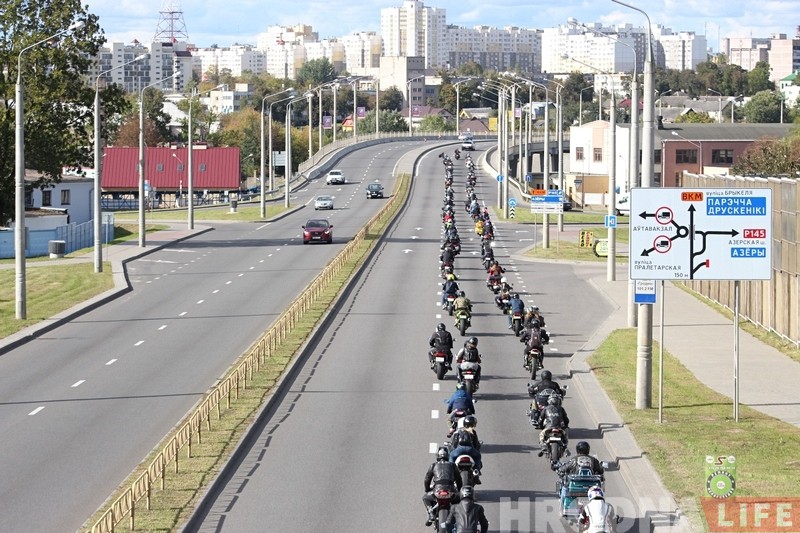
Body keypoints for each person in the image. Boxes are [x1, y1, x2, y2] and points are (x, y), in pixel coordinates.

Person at [422, 446, 463, 527]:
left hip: (437, 491)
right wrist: (459, 490)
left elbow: (427, 479)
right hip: (451, 490)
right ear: (447, 455)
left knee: (425, 497)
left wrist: (427, 489)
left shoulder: (433, 465)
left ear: (438, 456)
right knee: (461, 499)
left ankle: (431, 514)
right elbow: (459, 479)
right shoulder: (452, 465)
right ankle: (460, 517)